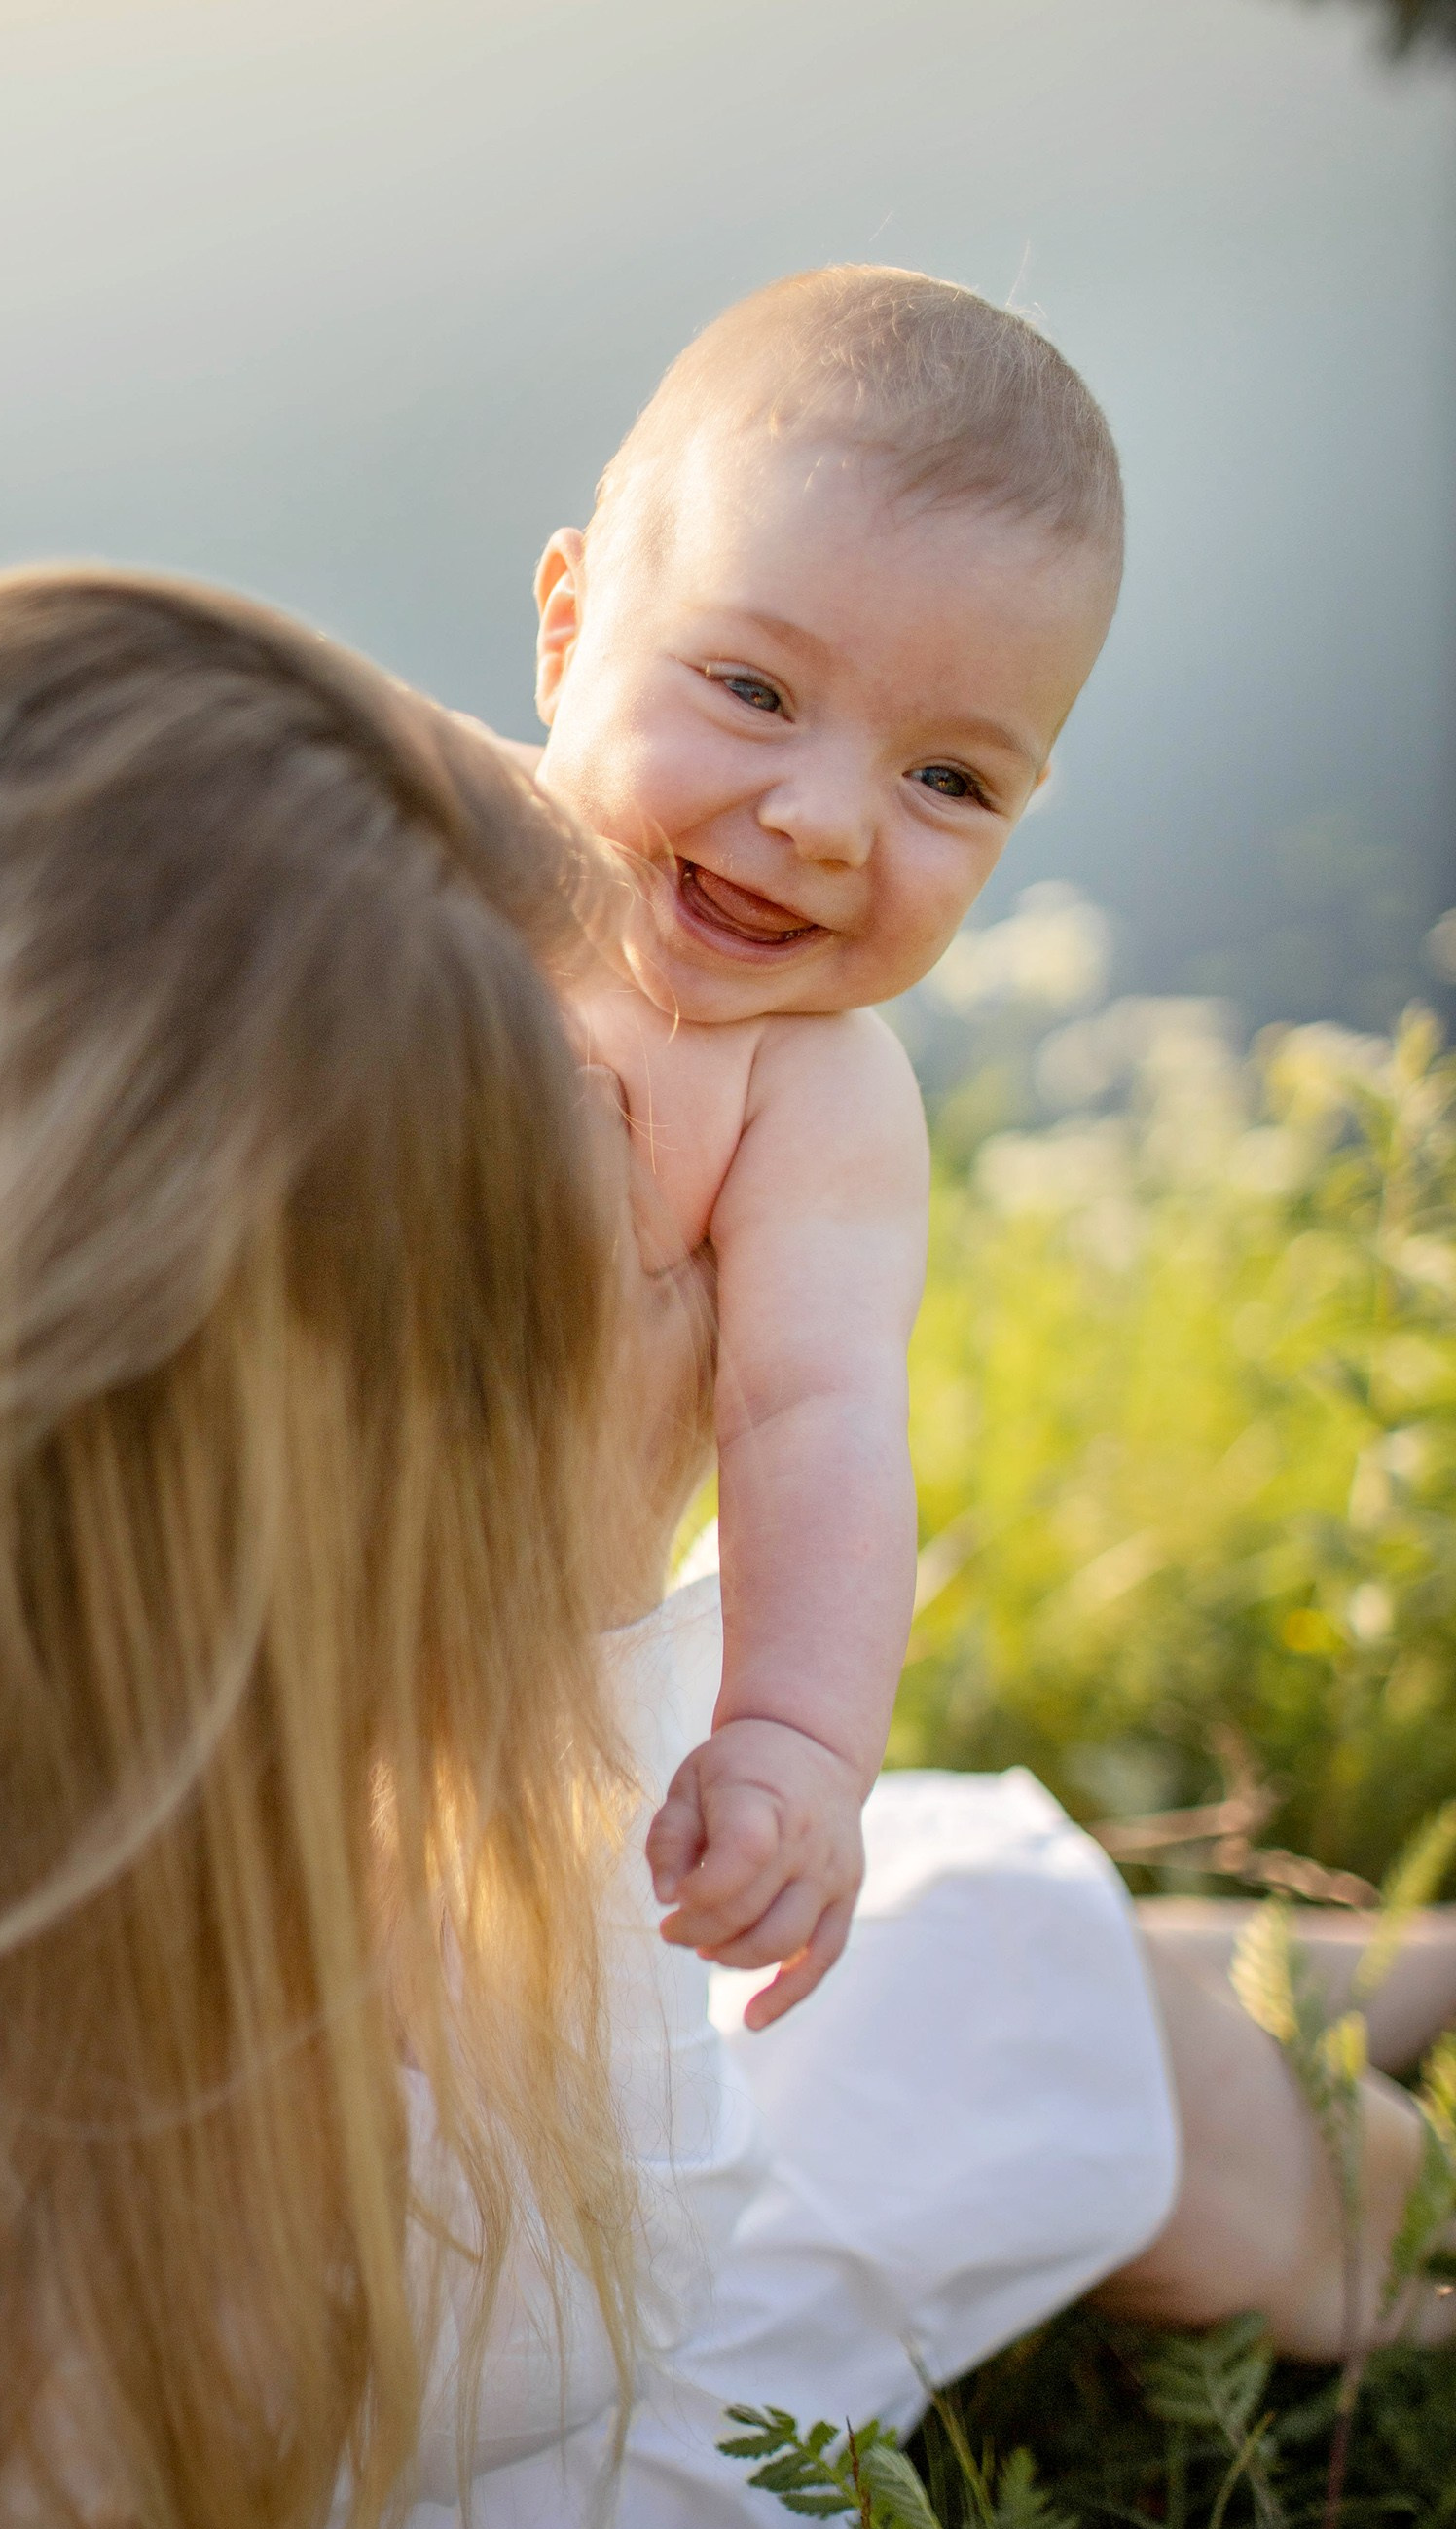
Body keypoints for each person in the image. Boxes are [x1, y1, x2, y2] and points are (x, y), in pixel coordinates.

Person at [0, 570, 1447, 2529]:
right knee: (907, 2086)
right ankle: (1302, 2177)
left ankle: (1239, 1978)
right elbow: (586, 2300)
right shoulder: (106, 2064)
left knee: (867, 1945)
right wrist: (586, 1609)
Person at [530, 267, 1123, 2031]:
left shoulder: (813, 1098)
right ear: (568, 631)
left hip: (518, 1747)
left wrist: (792, 1737)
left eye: (953, 783)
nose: (822, 822)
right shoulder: (412, 876)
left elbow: (817, 1413)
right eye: (751, 688)